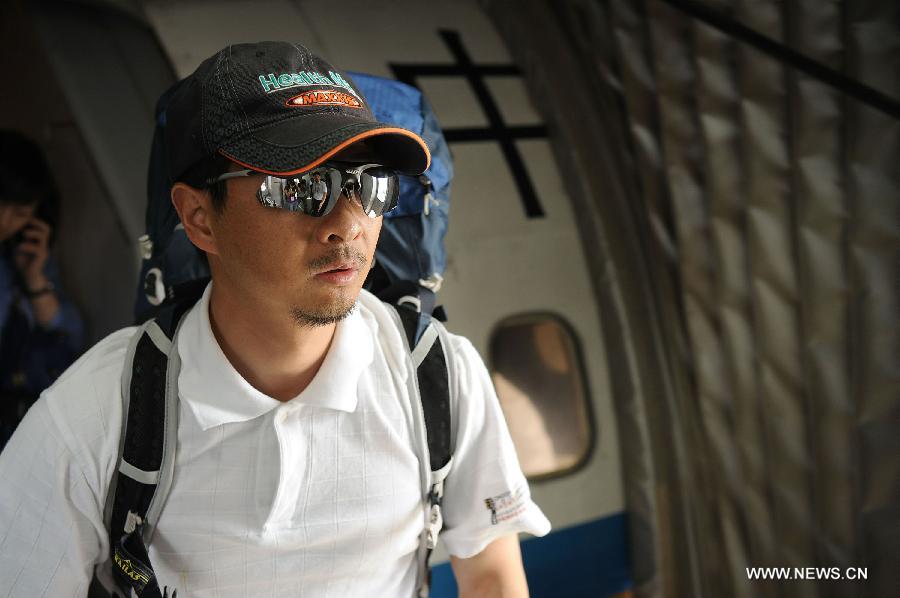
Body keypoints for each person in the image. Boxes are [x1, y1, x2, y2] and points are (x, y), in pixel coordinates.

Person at [0, 42, 549, 597]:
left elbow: (491, 575)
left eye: (370, 185)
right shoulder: (94, 417)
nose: (348, 225)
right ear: (198, 217)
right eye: (301, 187)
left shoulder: (437, 377)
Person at [0, 130, 83, 449]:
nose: (5, 222)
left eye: (20, 214)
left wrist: (34, 280)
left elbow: (67, 340)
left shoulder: (21, 259)